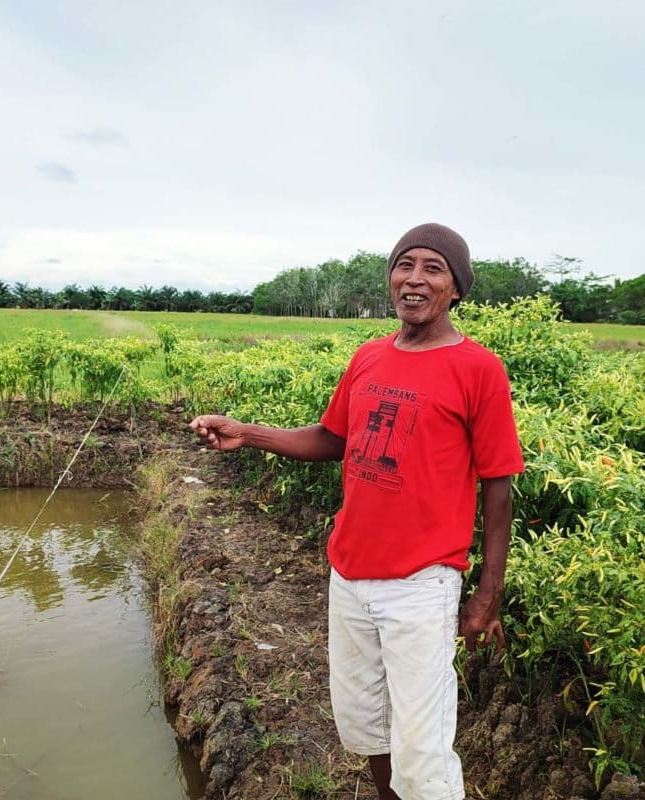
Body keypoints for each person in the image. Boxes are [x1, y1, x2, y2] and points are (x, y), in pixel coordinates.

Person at [190, 222, 524, 800]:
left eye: (433, 268)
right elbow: (331, 438)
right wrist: (248, 432)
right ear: (390, 278)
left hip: (421, 584)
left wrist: (488, 593)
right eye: (404, 265)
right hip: (349, 575)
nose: (414, 279)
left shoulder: (479, 369)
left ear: (456, 289)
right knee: (367, 728)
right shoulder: (369, 357)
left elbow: (498, 485)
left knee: (424, 753)